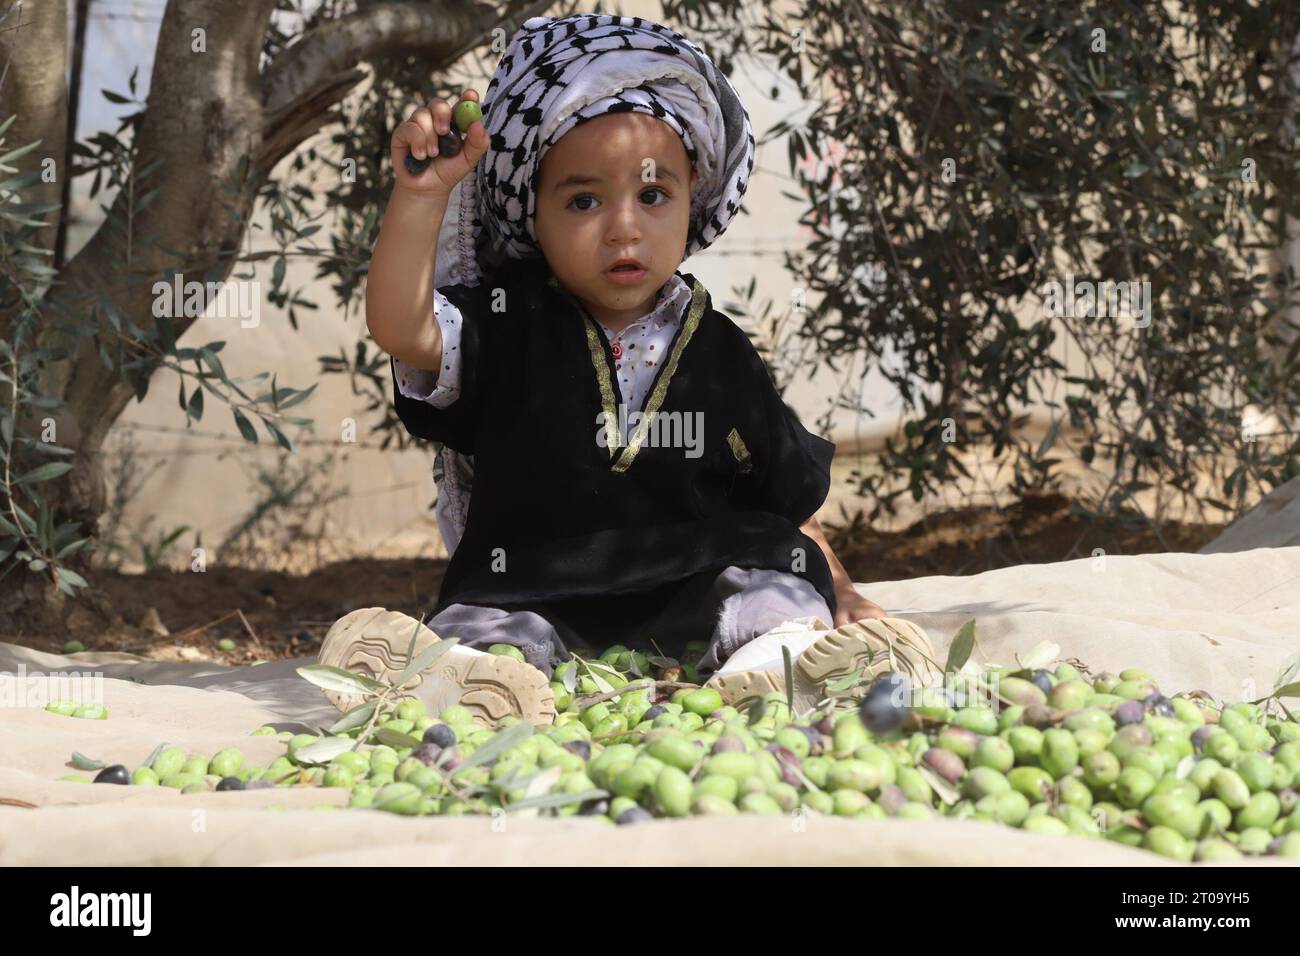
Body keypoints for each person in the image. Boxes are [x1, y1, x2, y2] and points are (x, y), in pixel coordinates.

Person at [320, 14, 939, 722]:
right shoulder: (502, 320)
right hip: (536, 584)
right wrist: (422, 195)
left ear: (691, 195)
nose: (624, 227)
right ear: (533, 215)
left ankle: (779, 662)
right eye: (584, 200)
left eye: (652, 196)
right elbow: (402, 327)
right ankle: (477, 685)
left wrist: (844, 593)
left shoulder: (721, 350)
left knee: (779, 580)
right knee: (487, 625)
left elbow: (789, 499)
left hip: (698, 594)